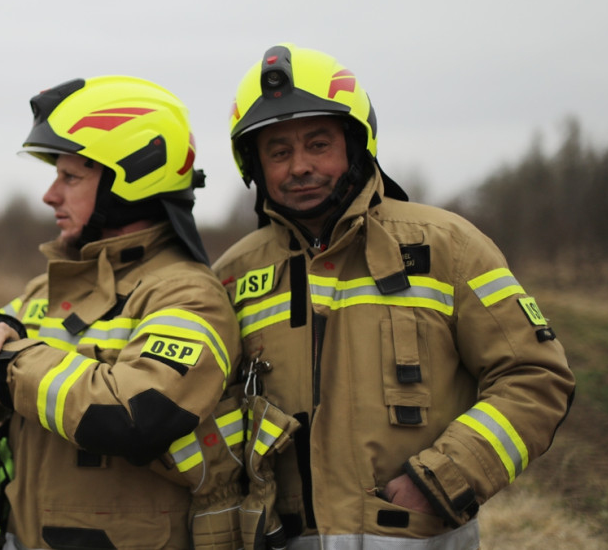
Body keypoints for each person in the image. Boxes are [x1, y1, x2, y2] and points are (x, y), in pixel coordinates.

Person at [212, 43, 576, 550]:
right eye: (278, 152)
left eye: (318, 144)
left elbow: (535, 377)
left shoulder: (449, 247)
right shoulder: (232, 276)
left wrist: (444, 479)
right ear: (255, 165)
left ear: (355, 145)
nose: (299, 166)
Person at [0, 75, 243, 550]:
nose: (50, 195)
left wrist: (6, 361)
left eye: (70, 177)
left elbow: (137, 414)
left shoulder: (185, 294)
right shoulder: (50, 287)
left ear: (132, 180)